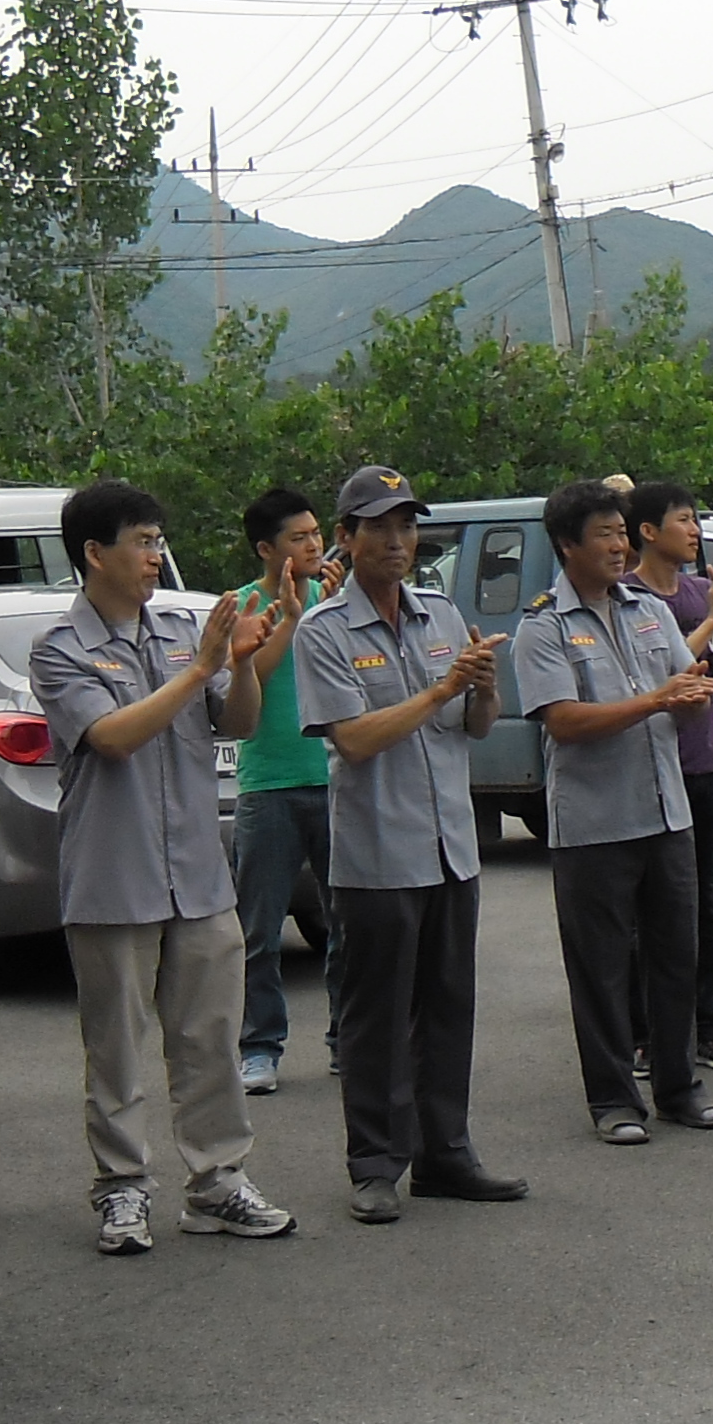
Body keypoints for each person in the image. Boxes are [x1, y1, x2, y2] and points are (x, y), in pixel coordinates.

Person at [30, 481, 298, 1253]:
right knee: (116, 1047)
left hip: (198, 874)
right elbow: (113, 738)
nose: (155, 556)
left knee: (209, 1039)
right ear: (94, 553)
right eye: (142, 542)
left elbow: (237, 722)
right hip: (114, 877)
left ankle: (218, 1183)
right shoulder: (60, 648)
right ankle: (122, 1189)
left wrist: (241, 664)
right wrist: (201, 666)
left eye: (158, 541)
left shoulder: (182, 630)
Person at [295, 466, 526, 1218]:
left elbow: (476, 726)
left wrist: (483, 687)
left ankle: (445, 1154)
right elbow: (355, 740)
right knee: (377, 1018)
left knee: (449, 1008)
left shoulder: (442, 615)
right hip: (378, 856)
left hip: (449, 847)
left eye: (407, 526)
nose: (398, 541)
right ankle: (374, 1165)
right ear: (346, 537)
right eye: (380, 527)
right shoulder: (324, 630)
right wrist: (441, 690)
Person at [519, 479, 713, 1146]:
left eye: (620, 533)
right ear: (567, 544)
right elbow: (564, 721)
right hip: (594, 825)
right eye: (604, 535)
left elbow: (685, 682)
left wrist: (691, 697)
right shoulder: (543, 626)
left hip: (667, 815)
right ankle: (614, 1100)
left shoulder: (649, 610)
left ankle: (679, 1088)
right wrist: (659, 701)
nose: (618, 546)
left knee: (676, 957)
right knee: (602, 969)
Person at [627, 481, 713, 1071]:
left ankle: (706, 1024)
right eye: (683, 520)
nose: (695, 530)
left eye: (696, 520)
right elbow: (660, 667)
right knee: (650, 910)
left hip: (709, 767)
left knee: (708, 906)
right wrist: (710, 621)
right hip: (655, 771)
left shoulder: (702, 590)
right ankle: (646, 1032)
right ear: (648, 531)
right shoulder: (628, 598)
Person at [227, 485, 342, 1098]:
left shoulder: (336, 598)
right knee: (259, 930)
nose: (313, 545)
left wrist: (328, 604)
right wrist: (292, 616)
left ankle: (347, 1037)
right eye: (298, 538)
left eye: (316, 533)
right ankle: (260, 1046)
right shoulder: (246, 606)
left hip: (333, 779)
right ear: (266, 549)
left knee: (347, 921)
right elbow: (253, 676)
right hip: (268, 783)